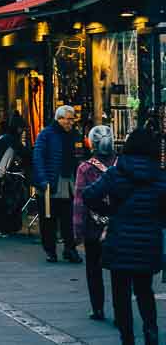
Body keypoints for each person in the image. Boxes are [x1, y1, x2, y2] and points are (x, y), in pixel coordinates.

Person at [83, 128, 166, 345]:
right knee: (144, 290)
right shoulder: (159, 176)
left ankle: (127, 338)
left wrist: (109, 211)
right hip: (148, 241)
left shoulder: (115, 173)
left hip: (119, 240)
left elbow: (89, 195)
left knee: (121, 293)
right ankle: (151, 331)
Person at [74, 124, 117, 323]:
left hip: (94, 225)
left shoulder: (85, 168)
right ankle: (121, 311)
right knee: (119, 273)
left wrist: (78, 230)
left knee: (93, 269)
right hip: (117, 226)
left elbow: (79, 202)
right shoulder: (121, 165)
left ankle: (97, 309)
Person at [33, 105, 84, 263]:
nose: (71, 122)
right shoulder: (46, 134)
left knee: (69, 218)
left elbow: (80, 156)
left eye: (72, 119)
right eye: (68, 119)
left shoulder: (74, 135)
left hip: (69, 181)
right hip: (51, 182)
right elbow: (38, 157)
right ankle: (50, 250)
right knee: (48, 219)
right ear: (59, 119)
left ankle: (70, 248)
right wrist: (42, 180)